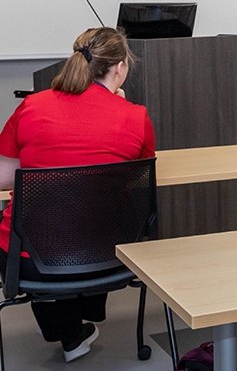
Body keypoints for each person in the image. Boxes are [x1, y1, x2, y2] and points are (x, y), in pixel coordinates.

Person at [0, 27, 156, 363]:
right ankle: (75, 326)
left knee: (32, 224)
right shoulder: (135, 117)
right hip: (112, 256)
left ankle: (67, 329)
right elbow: (137, 176)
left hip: (33, 264)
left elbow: (3, 176)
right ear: (119, 68)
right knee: (90, 215)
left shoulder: (32, 106)